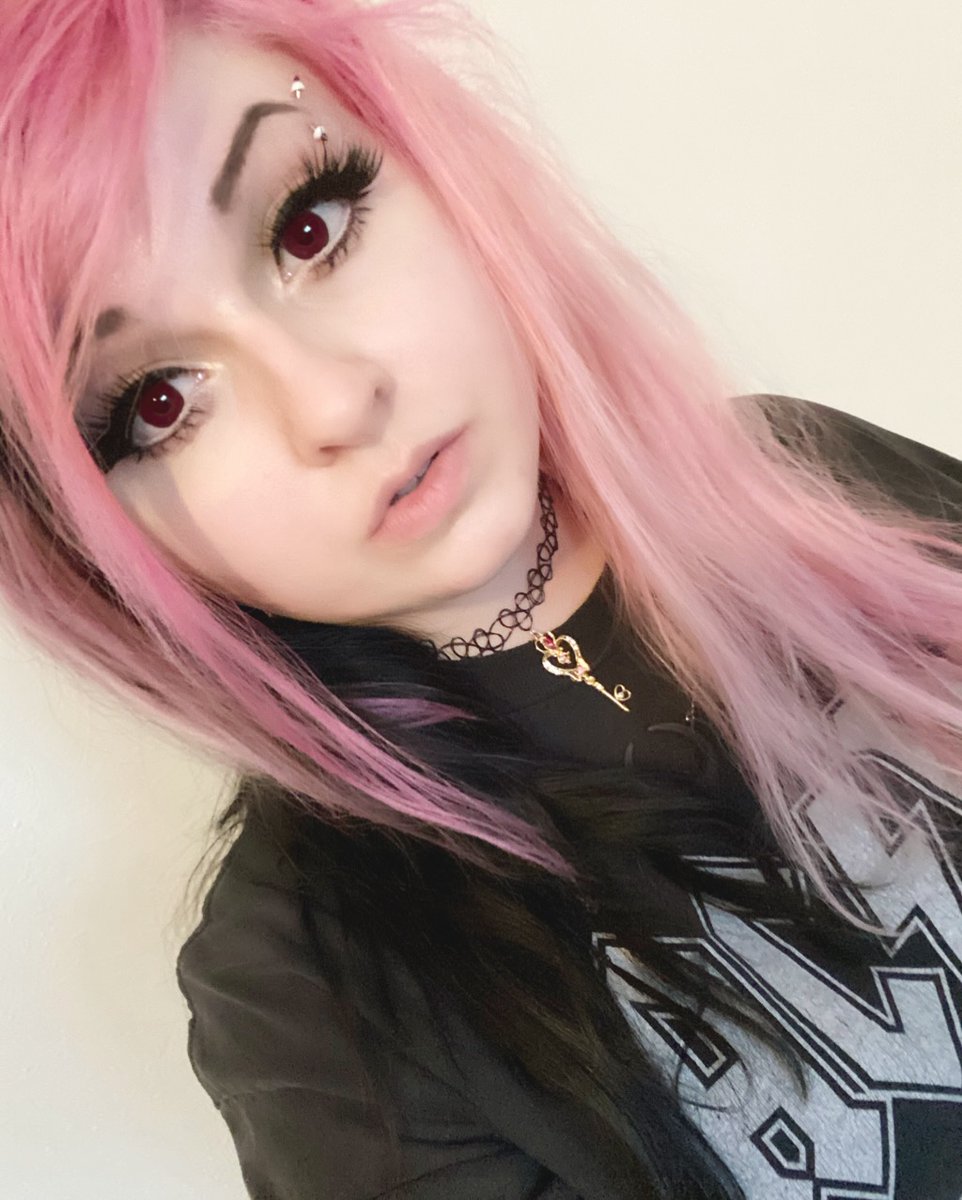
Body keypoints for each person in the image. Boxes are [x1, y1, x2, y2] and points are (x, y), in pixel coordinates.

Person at [2, 1, 961, 1197]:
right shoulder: (310, 994)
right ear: (90, 539)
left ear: (436, 168)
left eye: (310, 224)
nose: (333, 402)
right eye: (158, 401)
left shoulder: (803, 479)